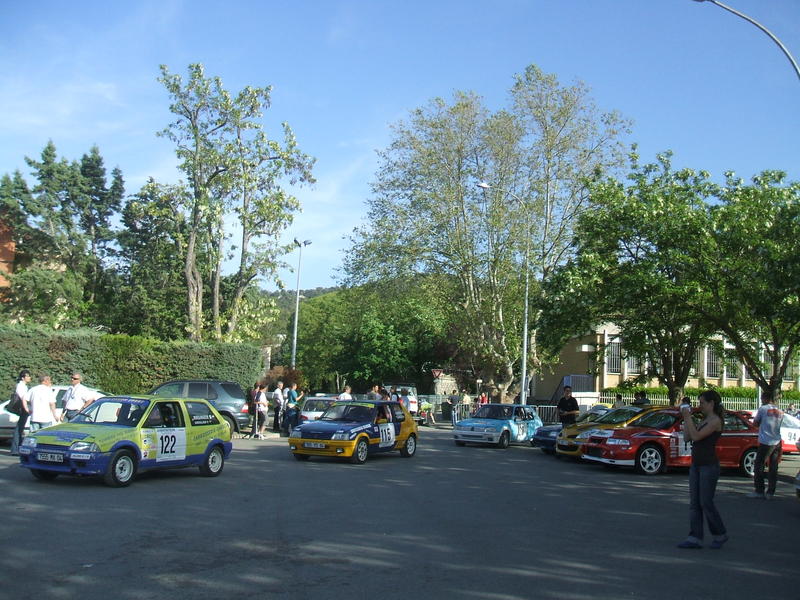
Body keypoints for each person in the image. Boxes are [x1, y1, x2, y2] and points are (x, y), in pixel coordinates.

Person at [678, 390, 728, 549]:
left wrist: (687, 417)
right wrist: (688, 419)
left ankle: (720, 533)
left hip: (709, 465)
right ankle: (695, 537)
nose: (700, 406)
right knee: (694, 502)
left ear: (711, 403)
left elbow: (698, 437)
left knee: (706, 502)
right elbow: (688, 437)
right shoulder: (704, 420)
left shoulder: (715, 421)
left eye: (702, 403)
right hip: (697, 465)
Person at [748, 392, 784, 500]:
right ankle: (771, 492)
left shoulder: (763, 409)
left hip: (765, 441)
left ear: (764, 398)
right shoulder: (780, 411)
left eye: (761, 398)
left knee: (759, 465)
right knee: (773, 467)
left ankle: (759, 490)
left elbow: (755, 423)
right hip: (777, 440)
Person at [10, 369, 32, 456]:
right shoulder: (21, 386)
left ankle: (18, 447)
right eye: (28, 376)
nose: (29, 378)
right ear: (23, 378)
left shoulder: (24, 386)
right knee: (19, 428)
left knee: (20, 428)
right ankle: (15, 449)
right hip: (23, 408)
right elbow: (24, 398)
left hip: (24, 408)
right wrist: (27, 408)